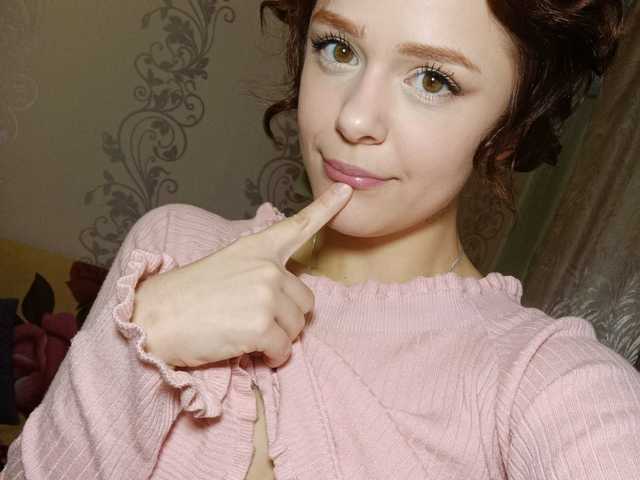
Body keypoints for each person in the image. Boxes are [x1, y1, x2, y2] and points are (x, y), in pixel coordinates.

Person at [3, 0, 639, 478]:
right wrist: (147, 335)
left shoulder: (536, 381)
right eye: (338, 48)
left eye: (432, 80)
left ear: (509, 130)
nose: (354, 118)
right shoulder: (172, 248)